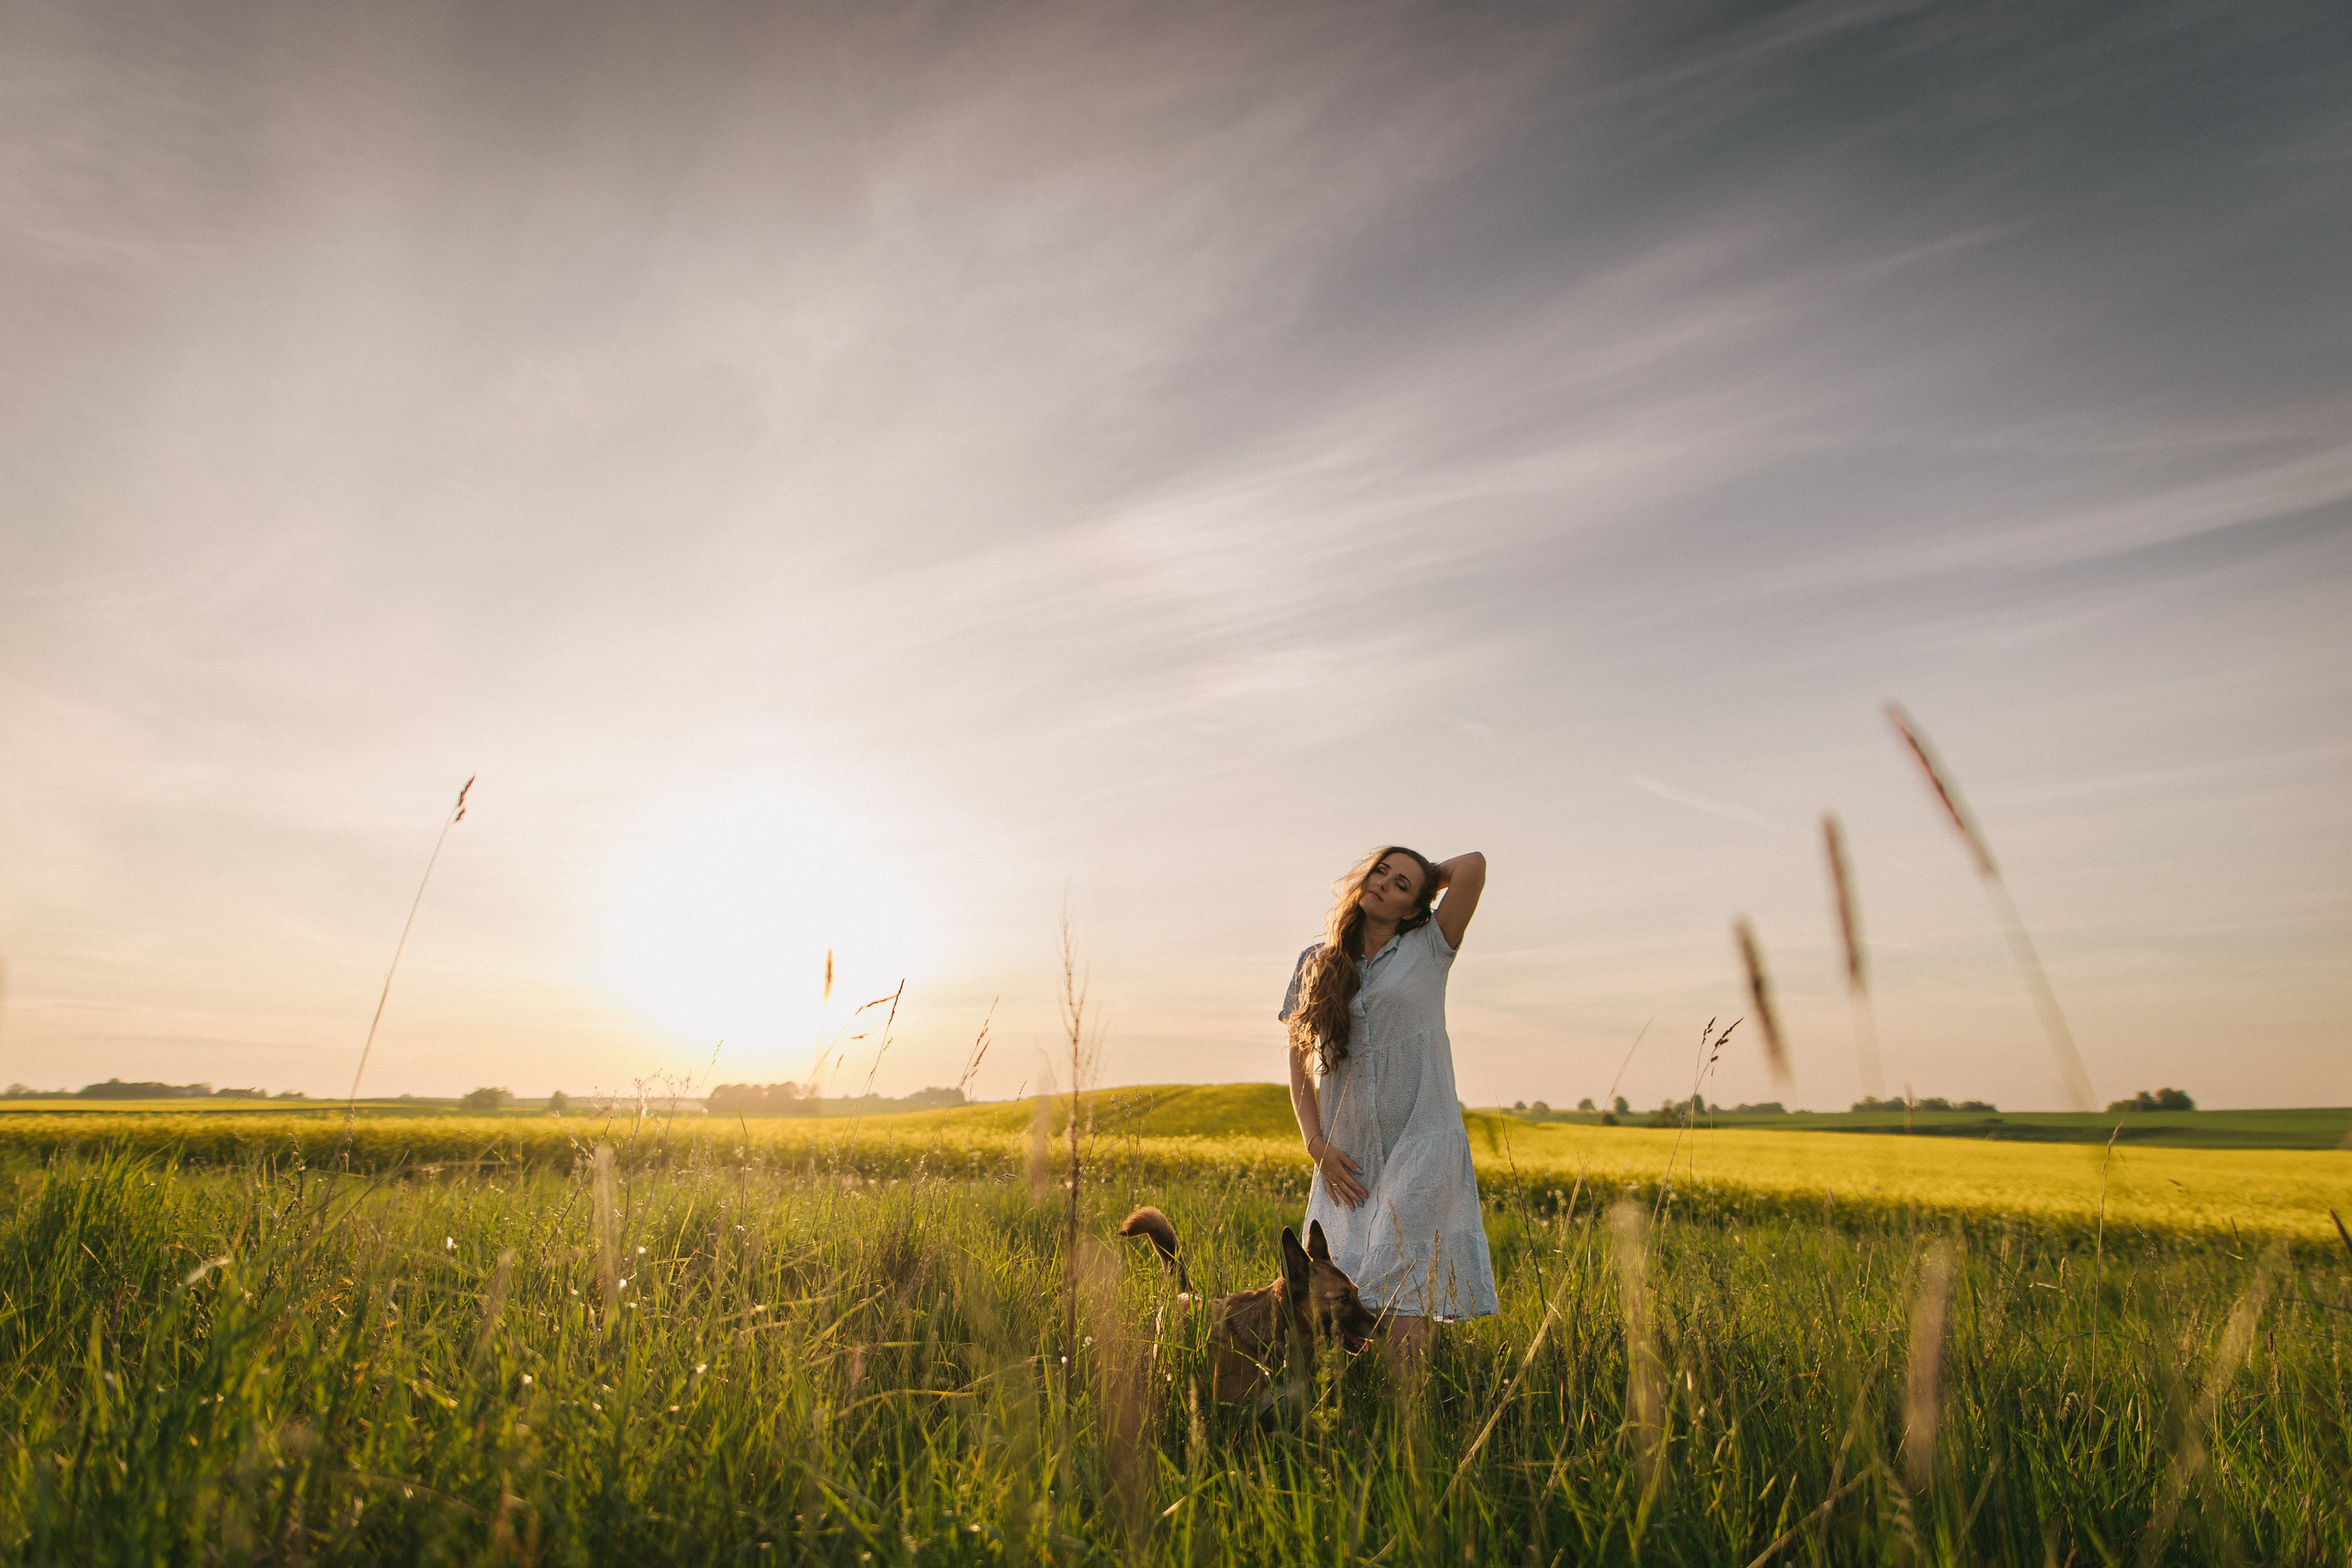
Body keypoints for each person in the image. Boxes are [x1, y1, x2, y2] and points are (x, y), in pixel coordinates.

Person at [1280, 845, 1496, 1365]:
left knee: (1400, 1281)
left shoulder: (1431, 947)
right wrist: (1317, 1147)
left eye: (1401, 884)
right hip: (1346, 1155)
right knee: (1346, 1284)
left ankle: (1410, 1420)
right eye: (1380, 871)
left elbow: (1473, 865)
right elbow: (1298, 1062)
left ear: (1415, 907)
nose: (1382, 883)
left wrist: (1425, 882)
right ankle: (1361, 1406)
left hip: (1422, 1141)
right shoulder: (1316, 961)